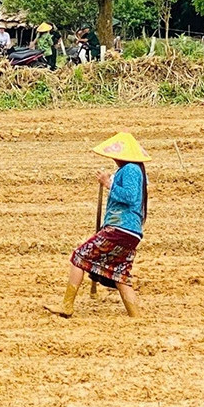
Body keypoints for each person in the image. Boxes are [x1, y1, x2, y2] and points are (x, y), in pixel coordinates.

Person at [45, 132, 150, 318]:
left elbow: (130, 197)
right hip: (131, 231)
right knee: (120, 273)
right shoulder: (134, 170)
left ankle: (67, 305)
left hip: (120, 228)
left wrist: (108, 183)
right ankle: (136, 317)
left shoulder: (131, 169)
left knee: (79, 256)